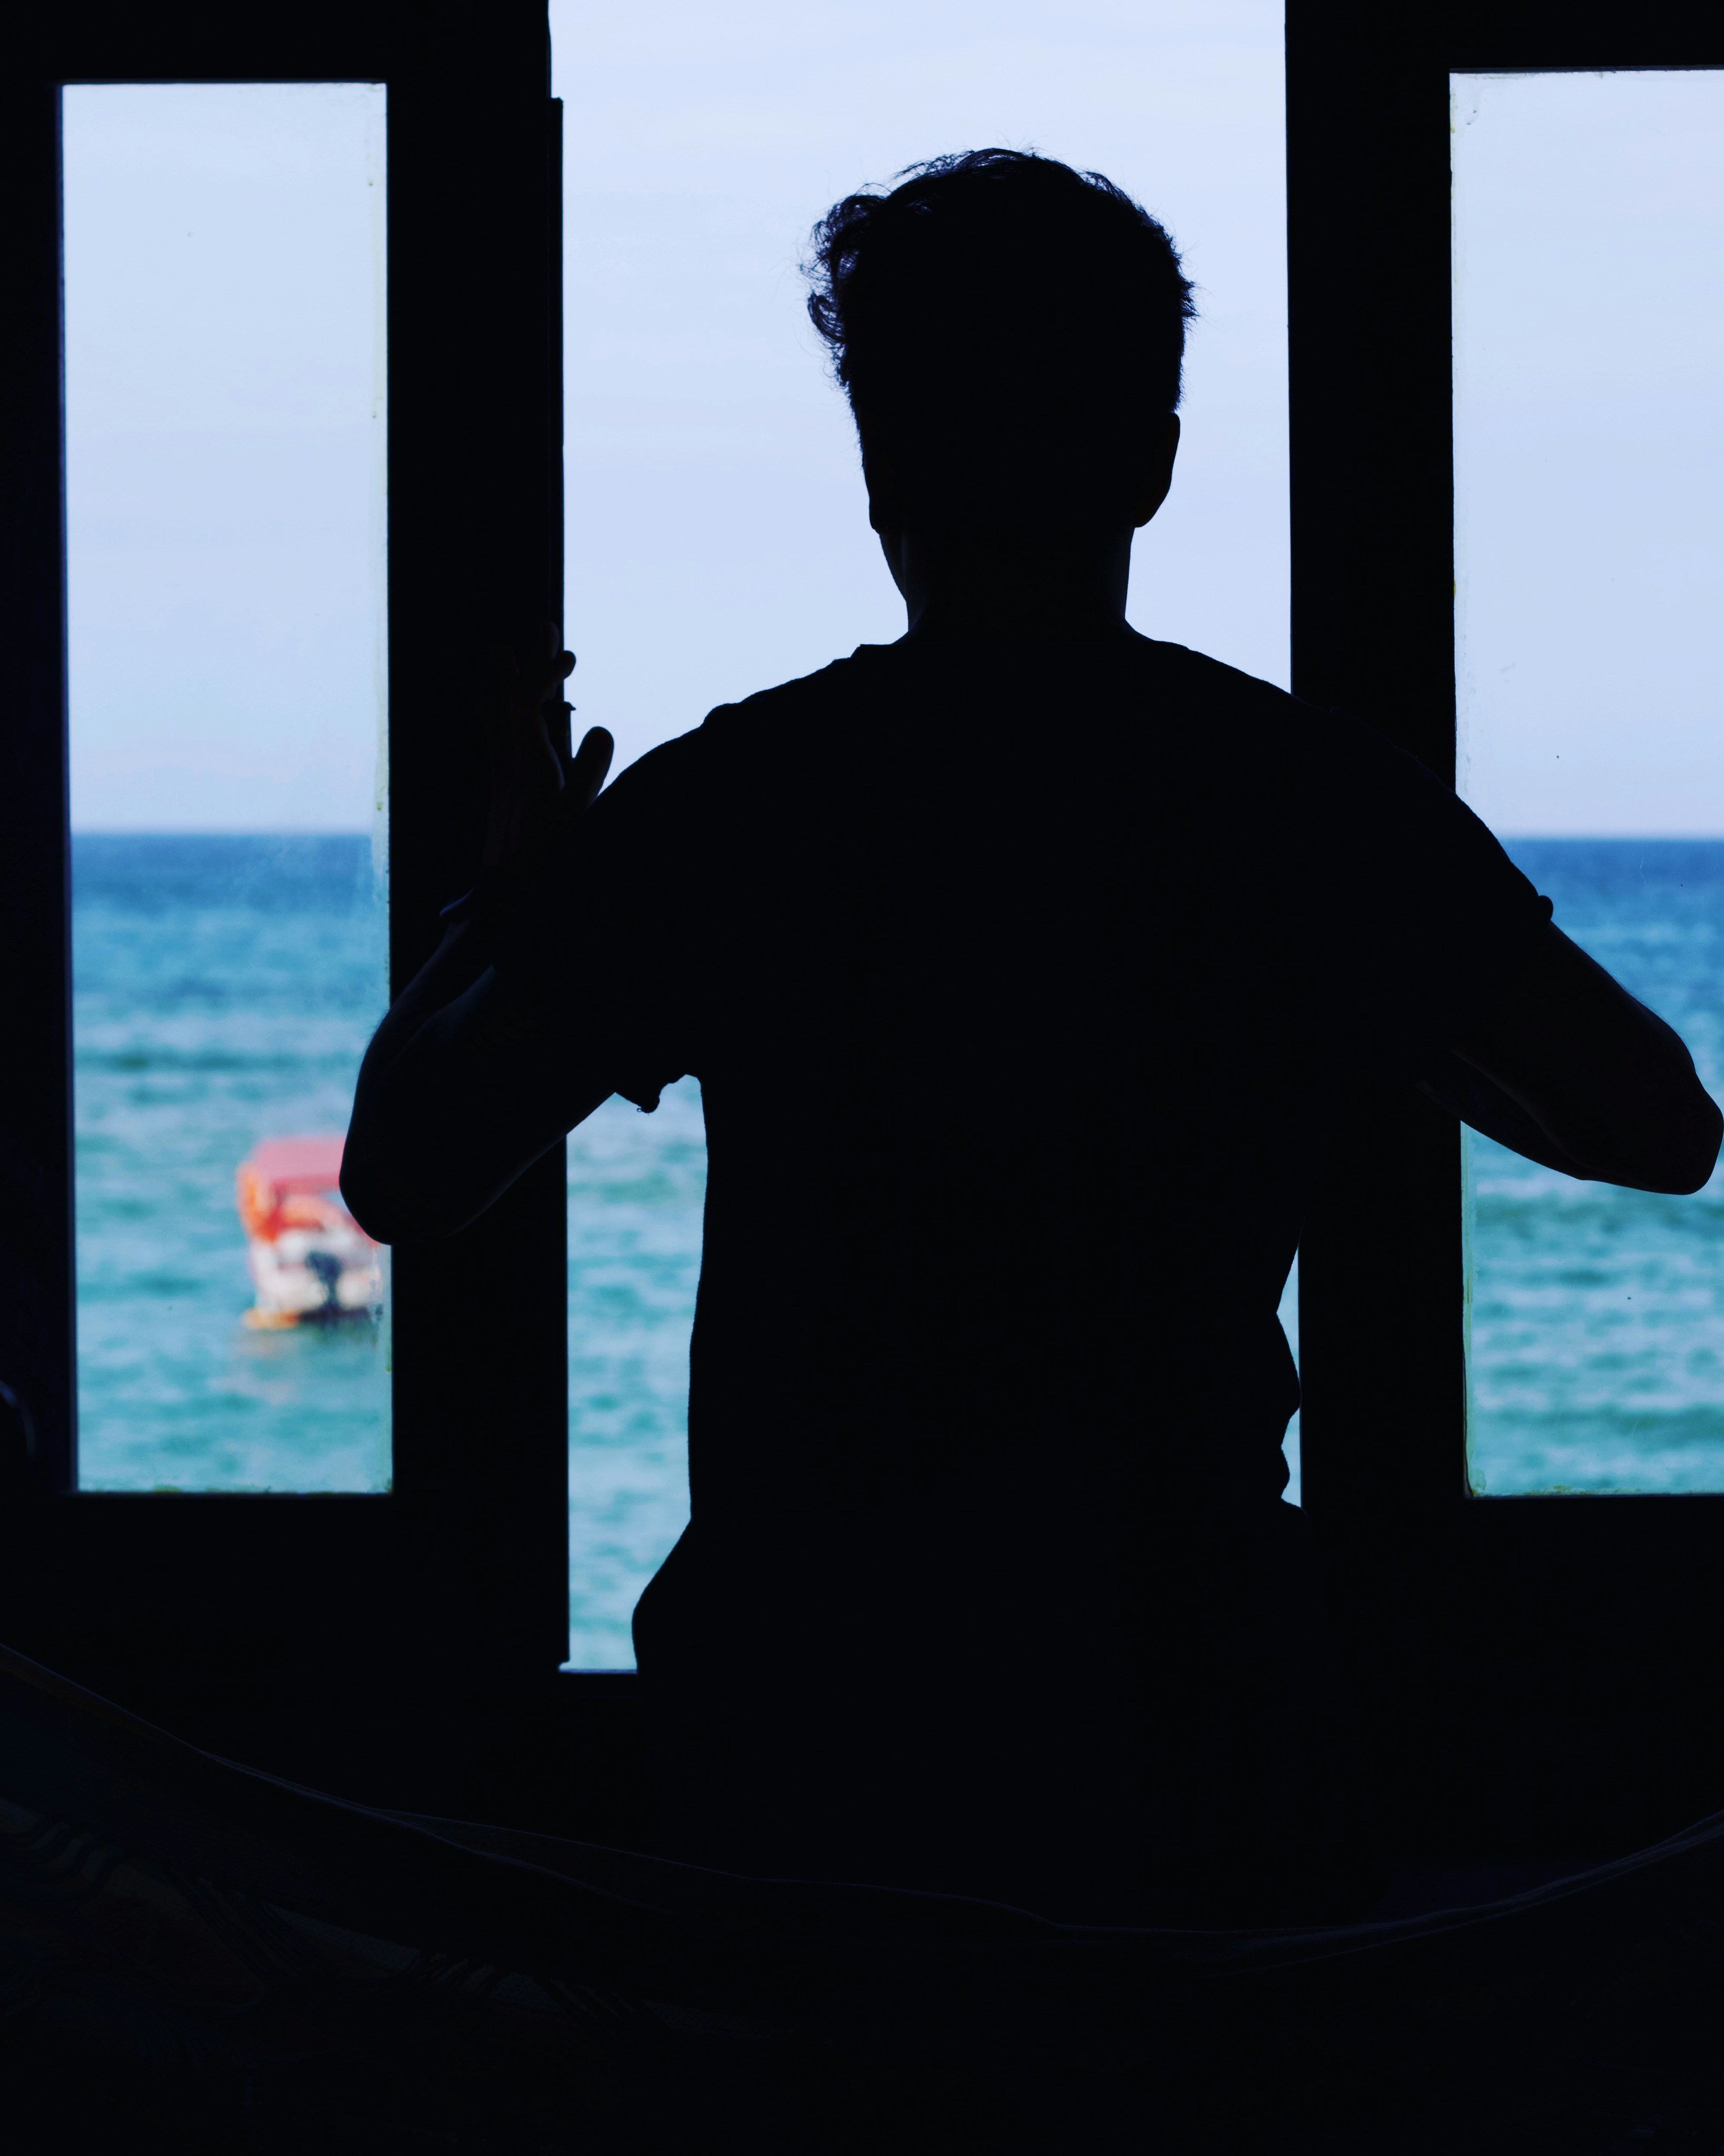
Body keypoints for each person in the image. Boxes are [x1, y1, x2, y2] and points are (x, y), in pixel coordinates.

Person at [340, 150, 1721, 1927]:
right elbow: (1658, 1126)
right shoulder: (1301, 803)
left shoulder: (740, 806)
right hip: (1190, 1714)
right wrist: (1368, 980)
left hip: (804, 1734)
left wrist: (497, 915)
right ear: (1146, 452)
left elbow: (406, 1173)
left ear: (878, 468)